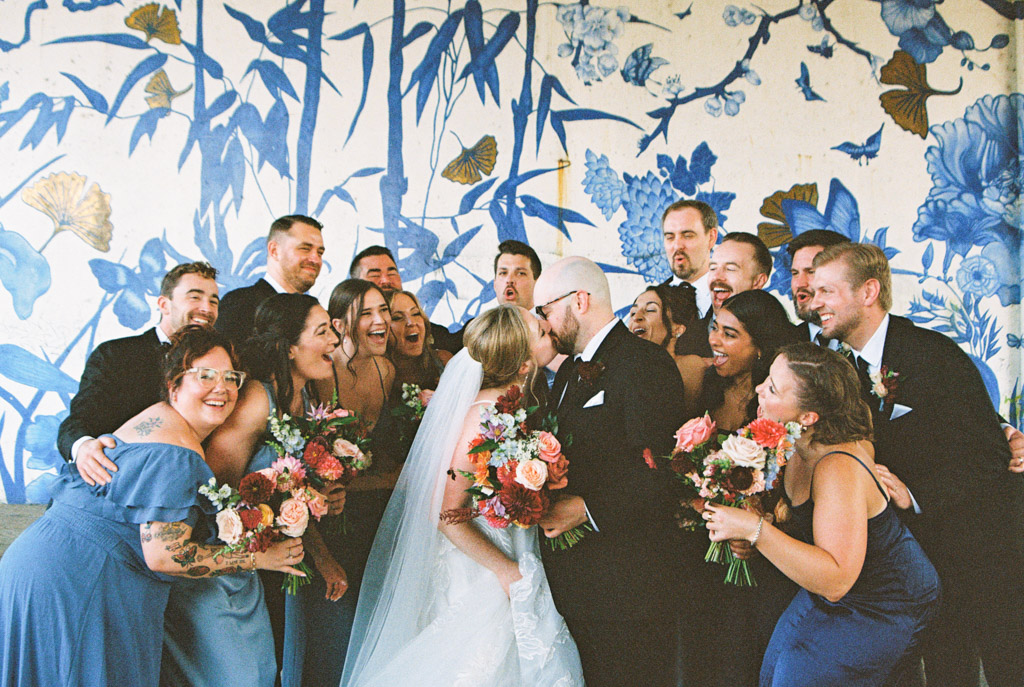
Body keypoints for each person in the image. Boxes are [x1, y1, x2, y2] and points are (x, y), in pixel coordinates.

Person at [0, 325, 303, 687]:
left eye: (231, 377)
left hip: (39, 564)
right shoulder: (178, 451)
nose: (221, 387)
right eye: (205, 375)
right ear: (174, 384)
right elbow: (165, 556)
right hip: (76, 580)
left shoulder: (157, 417)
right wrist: (261, 558)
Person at [809, 242, 1024, 687]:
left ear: (869, 291)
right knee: (947, 669)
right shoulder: (840, 366)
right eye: (813, 292)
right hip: (919, 558)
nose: (816, 304)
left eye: (827, 292)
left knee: (1007, 666)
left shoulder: (932, 355)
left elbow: (989, 459)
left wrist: (914, 494)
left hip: (984, 548)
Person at [340, 305, 583, 686]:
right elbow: (444, 513)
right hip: (480, 569)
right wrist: (507, 571)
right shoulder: (483, 415)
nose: (550, 330)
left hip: (513, 550)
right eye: (541, 331)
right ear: (522, 365)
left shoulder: (514, 408)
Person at [704, 343, 941, 686]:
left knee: (798, 678)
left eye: (772, 388)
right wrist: (761, 529)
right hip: (838, 589)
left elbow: (835, 581)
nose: (758, 389)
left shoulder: (836, 468)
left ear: (808, 417)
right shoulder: (793, 441)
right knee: (774, 672)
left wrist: (757, 530)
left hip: (888, 601)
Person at [532, 257, 686, 687]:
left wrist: (586, 509)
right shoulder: (565, 371)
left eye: (545, 308)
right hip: (577, 582)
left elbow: (664, 470)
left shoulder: (645, 364)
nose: (543, 321)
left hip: (628, 587)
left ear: (579, 300)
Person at [174, 295, 341, 687]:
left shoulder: (309, 399)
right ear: (289, 347)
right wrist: (256, 554)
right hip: (216, 566)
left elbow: (290, 494)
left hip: (254, 566)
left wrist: (321, 549)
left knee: (264, 673)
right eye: (322, 332)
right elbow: (212, 495)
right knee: (238, 676)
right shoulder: (256, 399)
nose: (335, 339)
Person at [280, 279, 397, 687]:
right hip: (320, 521)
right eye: (366, 313)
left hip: (364, 517)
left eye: (383, 309)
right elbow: (299, 471)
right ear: (341, 323)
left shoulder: (386, 370)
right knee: (328, 636)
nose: (380, 320)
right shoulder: (320, 377)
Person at [686, 289, 801, 687]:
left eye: (730, 334)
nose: (715, 341)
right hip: (704, 563)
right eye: (715, 328)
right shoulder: (704, 392)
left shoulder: (779, 408)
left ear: (759, 350)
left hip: (765, 567)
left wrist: (759, 524)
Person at [57, 261, 220, 486]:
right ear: (164, 304)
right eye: (195, 297)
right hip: (117, 484)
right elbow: (79, 419)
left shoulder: (223, 366)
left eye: (213, 301)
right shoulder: (115, 354)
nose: (207, 308)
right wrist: (83, 446)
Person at [216, 215, 325, 344]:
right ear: (274, 251)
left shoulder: (315, 314)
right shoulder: (241, 304)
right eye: (305, 249)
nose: (315, 259)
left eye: (320, 252)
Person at [349, 245, 462, 353]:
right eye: (375, 275)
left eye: (392, 273)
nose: (386, 281)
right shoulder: (344, 337)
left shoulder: (428, 332)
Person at [627, 283, 706, 416]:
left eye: (650, 310)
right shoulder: (623, 365)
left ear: (677, 329)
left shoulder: (690, 365)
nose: (636, 317)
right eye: (633, 312)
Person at [784, 229, 851, 342]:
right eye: (795, 273)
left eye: (811, 272)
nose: (799, 283)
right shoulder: (783, 343)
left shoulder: (873, 337)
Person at [386, 288, 452, 395]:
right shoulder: (378, 374)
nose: (411, 322)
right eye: (397, 317)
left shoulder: (443, 361)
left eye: (416, 313)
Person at [708, 231, 772, 313]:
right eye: (713, 268)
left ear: (758, 281)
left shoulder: (777, 325)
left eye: (730, 269)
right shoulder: (691, 324)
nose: (716, 276)